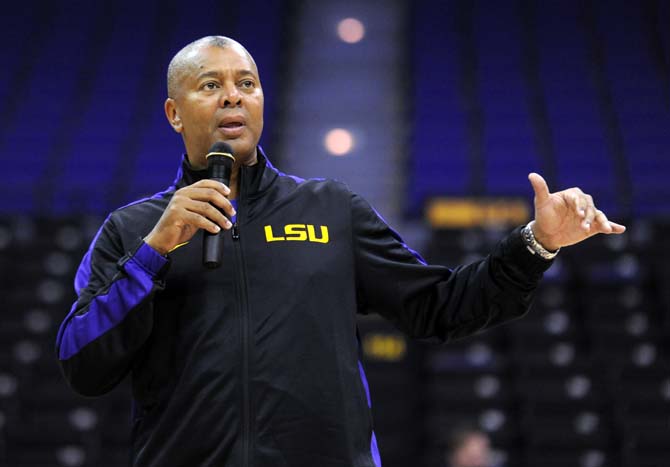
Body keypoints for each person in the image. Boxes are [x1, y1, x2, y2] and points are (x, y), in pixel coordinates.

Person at [55, 36, 625, 467]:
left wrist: (537, 244)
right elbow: (84, 364)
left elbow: (441, 306)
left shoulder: (329, 208)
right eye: (210, 85)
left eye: (247, 83)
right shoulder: (132, 230)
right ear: (174, 113)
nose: (233, 94)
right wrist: (155, 251)